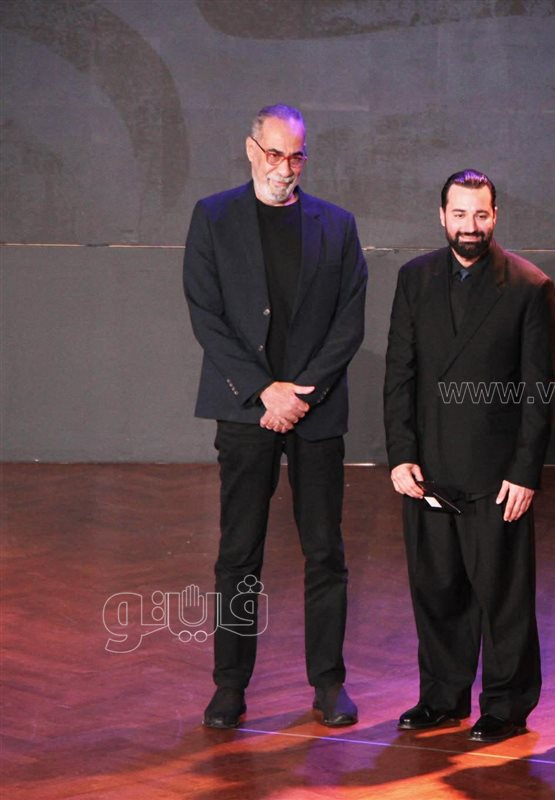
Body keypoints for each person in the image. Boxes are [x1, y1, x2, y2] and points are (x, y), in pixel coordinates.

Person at [183, 104, 367, 729]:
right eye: (273, 154)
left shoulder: (337, 226)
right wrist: (265, 391)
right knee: (239, 553)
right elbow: (206, 314)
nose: (284, 167)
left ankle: (329, 684)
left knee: (325, 552)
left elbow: (349, 322)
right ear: (250, 149)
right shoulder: (213, 216)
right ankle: (229, 686)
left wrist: (300, 395)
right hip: (244, 409)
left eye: (295, 156)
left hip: (315, 411)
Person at [383, 170, 555, 743]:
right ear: (442, 216)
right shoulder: (414, 278)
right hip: (428, 469)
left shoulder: (530, 286)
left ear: (495, 215)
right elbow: (400, 372)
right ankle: (442, 697)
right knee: (437, 589)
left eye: (480, 215)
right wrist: (401, 455)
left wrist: (525, 472)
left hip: (496, 474)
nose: (470, 226)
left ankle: (507, 705)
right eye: (459, 214)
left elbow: (538, 390)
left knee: (503, 597)